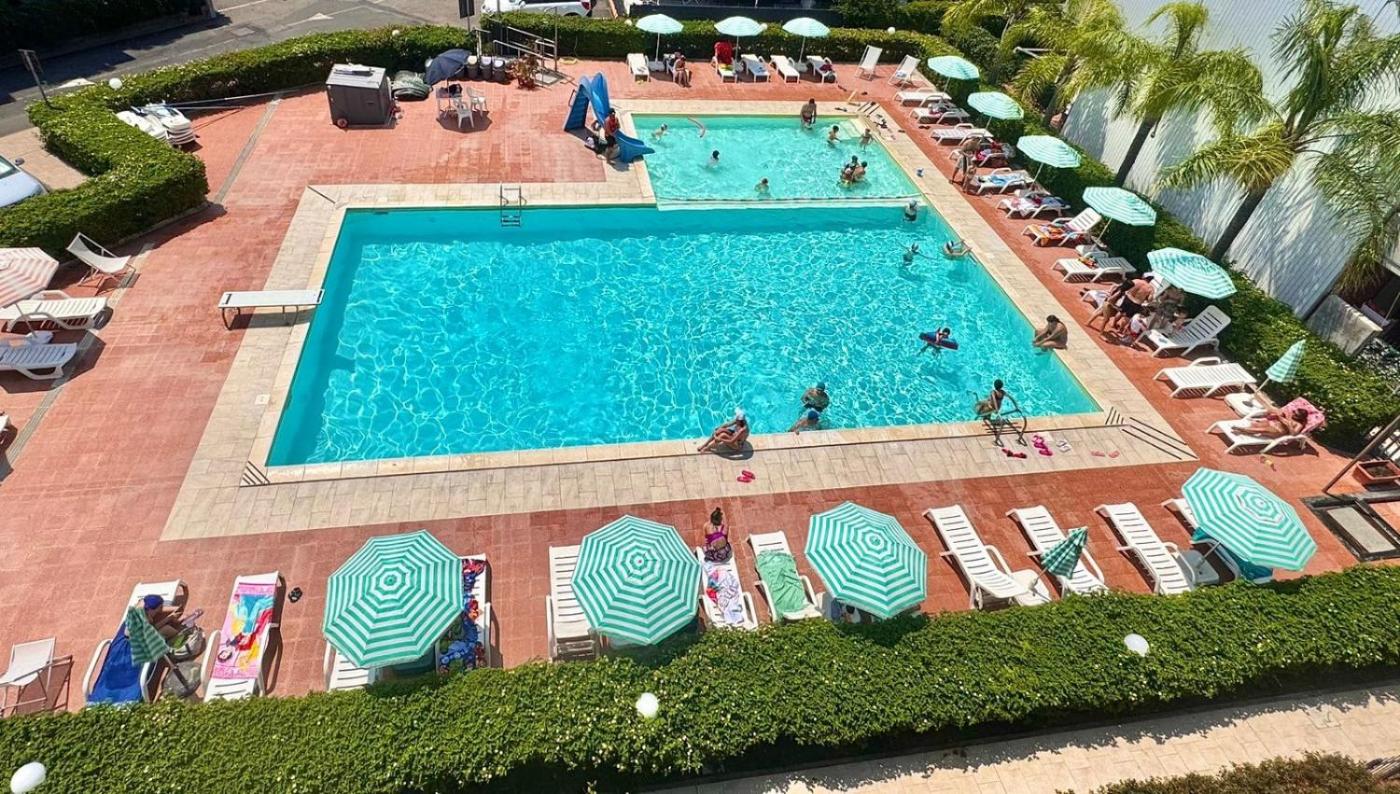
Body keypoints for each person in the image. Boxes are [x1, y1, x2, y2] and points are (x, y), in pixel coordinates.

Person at [1244, 407, 1309, 439]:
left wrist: (1289, 426)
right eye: (1294, 411)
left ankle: (1242, 430)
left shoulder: (1299, 424)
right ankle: (1245, 431)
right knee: (1255, 424)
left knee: (1263, 430)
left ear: (1301, 418)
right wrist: (1278, 413)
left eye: (1296, 415)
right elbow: (1270, 411)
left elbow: (1293, 434)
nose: (1293, 414)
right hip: (1272, 424)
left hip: (1278, 431)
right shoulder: (1289, 415)